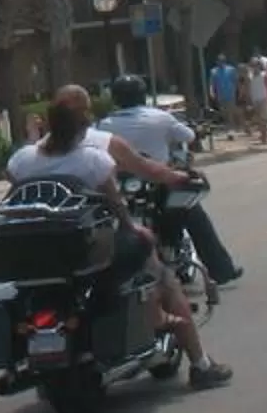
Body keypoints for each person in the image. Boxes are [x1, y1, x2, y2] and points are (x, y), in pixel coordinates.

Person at [6, 86, 231, 389]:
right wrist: (135, 226)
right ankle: (200, 363)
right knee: (160, 271)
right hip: (86, 251)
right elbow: (121, 199)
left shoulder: (23, 159)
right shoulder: (94, 156)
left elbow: (15, 188)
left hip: (37, 254)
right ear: (84, 119)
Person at [95, 73, 241, 286]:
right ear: (143, 95)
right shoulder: (160, 117)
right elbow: (189, 136)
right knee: (194, 214)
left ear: (116, 98)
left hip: (120, 186)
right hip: (157, 179)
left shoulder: (103, 124)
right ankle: (222, 270)